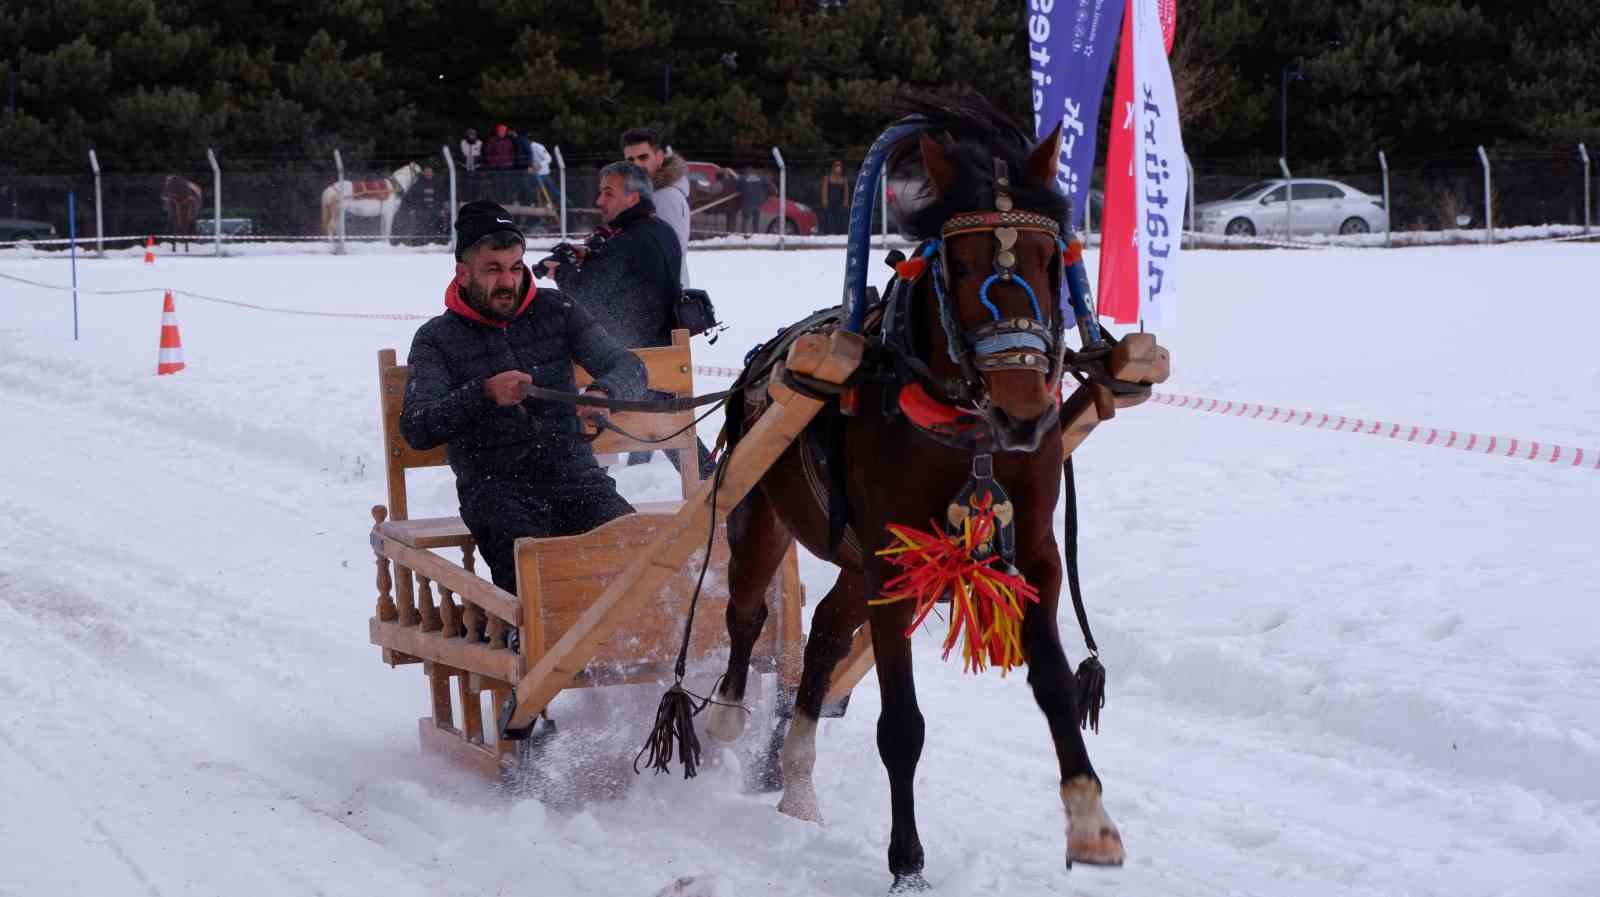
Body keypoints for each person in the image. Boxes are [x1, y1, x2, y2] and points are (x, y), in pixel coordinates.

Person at [399, 201, 647, 594]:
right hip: (497, 489)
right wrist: (484, 393)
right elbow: (417, 426)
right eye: (493, 269)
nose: (508, 281)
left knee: (639, 561)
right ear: (463, 273)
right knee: (542, 584)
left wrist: (605, 392)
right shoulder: (436, 339)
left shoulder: (557, 308)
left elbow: (629, 365)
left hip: (575, 475)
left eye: (515, 268)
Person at [540, 162, 712, 477]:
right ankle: (717, 486)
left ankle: (717, 489)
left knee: (610, 435)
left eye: (608, 192)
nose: (599, 201)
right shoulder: (659, 231)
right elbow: (629, 273)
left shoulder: (627, 242)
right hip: (661, 351)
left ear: (632, 198)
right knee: (670, 431)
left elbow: (586, 293)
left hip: (635, 359)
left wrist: (560, 271)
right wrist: (591, 257)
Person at [621, 126, 691, 286]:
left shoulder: (664, 197)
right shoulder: (644, 196)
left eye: (643, 157)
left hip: (661, 298)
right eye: (630, 160)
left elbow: (669, 255)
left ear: (659, 157)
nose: (636, 164)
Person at [483, 123, 515, 202]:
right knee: (497, 185)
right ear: (497, 131)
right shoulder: (492, 141)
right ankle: (498, 201)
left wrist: (510, 162)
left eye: (504, 131)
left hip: (506, 167)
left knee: (507, 184)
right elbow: (488, 153)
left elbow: (512, 153)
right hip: (496, 168)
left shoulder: (509, 141)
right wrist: (492, 163)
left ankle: (507, 201)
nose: (502, 132)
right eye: (501, 131)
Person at [820, 160, 849, 235]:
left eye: (840, 167)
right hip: (829, 201)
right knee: (829, 217)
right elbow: (824, 190)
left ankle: (838, 232)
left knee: (839, 217)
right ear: (833, 167)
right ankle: (830, 232)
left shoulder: (843, 179)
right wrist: (824, 200)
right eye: (837, 166)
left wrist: (845, 202)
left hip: (839, 202)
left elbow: (846, 192)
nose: (838, 168)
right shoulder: (828, 177)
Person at [737, 167, 770, 234]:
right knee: (756, 222)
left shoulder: (743, 178)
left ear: (747, 171)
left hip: (747, 203)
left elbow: (738, 188)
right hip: (758, 203)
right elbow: (767, 186)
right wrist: (763, 197)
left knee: (745, 222)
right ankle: (755, 235)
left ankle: (744, 236)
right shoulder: (762, 178)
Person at [528, 138, 558, 207]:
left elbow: (549, 158)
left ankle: (567, 204)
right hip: (535, 173)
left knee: (551, 190)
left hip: (543, 173)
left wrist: (539, 165)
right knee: (537, 190)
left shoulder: (538, 147)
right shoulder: (529, 148)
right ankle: (537, 204)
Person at [459, 127, 483, 200]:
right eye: (470, 134)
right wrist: (461, 163)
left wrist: (481, 166)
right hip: (465, 168)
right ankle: (466, 200)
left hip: (476, 169)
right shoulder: (462, 143)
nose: (472, 136)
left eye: (473, 134)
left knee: (476, 186)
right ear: (467, 135)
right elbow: (459, 154)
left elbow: (483, 156)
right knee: (466, 185)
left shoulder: (480, 143)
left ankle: (475, 200)